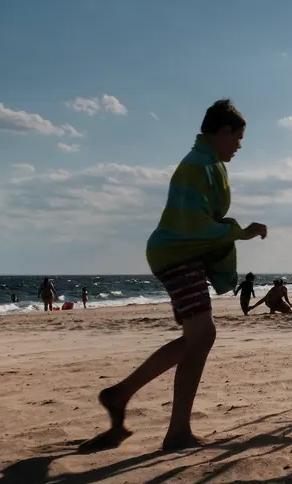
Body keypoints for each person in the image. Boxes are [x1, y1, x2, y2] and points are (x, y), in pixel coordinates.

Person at [86, 99, 266, 453]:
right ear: (223, 131)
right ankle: (169, 426)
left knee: (199, 337)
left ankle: (123, 396)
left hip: (181, 253)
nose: (240, 146)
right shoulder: (197, 166)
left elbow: (200, 220)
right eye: (239, 138)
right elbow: (193, 223)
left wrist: (234, 232)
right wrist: (240, 232)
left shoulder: (208, 163)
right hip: (174, 253)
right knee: (203, 335)